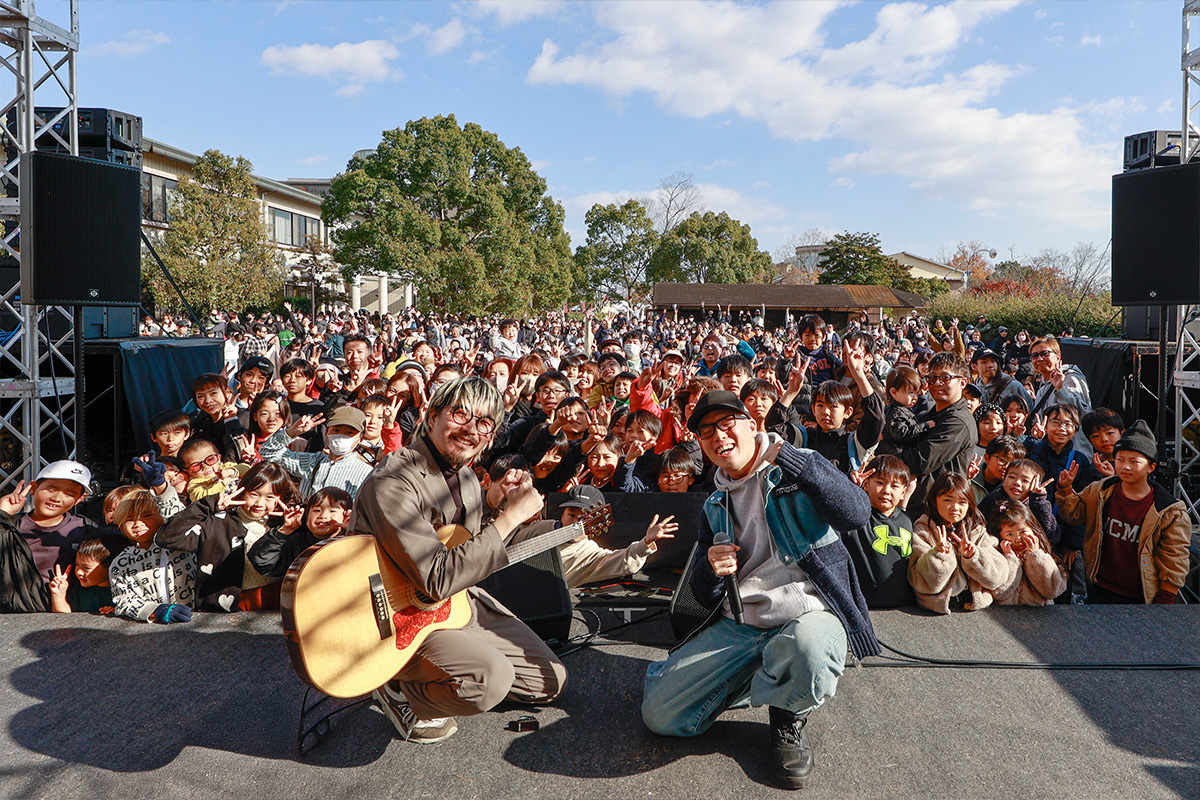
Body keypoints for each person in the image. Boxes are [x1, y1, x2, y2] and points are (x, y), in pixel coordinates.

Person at [641, 391, 878, 790]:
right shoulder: (715, 503)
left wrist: (790, 459)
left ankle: (787, 714)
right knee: (659, 716)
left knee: (809, 648)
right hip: (744, 624)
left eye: (726, 424)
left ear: (753, 425)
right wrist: (712, 569)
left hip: (809, 615)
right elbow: (701, 590)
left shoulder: (797, 468)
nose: (718, 437)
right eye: (705, 432)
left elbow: (856, 513)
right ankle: (766, 673)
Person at [351, 377, 567, 744]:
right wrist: (510, 518)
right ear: (432, 416)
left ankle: (451, 671)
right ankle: (395, 684)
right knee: (490, 681)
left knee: (549, 681)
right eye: (460, 413)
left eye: (483, 423)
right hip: (394, 616)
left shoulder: (467, 478)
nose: (470, 429)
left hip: (452, 603)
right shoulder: (393, 481)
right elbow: (436, 577)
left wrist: (502, 508)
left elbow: (465, 547)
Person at [1056, 420, 1190, 605]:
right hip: (1099, 587)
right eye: (1120, 460)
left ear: (1151, 467)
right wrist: (1065, 489)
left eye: (1134, 461)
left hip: (1142, 595)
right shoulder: (1100, 490)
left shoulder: (1169, 510)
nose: (1125, 466)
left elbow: (1175, 557)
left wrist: (1166, 597)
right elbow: (1074, 515)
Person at [155, 462, 302, 612]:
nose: (259, 503)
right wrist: (209, 504)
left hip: (276, 596)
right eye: (254, 494)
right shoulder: (219, 522)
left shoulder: (289, 525)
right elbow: (167, 538)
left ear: (281, 498)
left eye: (270, 497)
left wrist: (290, 526)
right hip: (228, 603)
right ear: (242, 491)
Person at [0, 460, 96, 613]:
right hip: (13, 619)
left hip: (69, 617)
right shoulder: (9, 527)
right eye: (51, 489)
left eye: (69, 494)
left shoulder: (86, 529)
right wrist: (2, 515)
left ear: (79, 499)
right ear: (33, 488)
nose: (57, 498)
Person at [908, 472, 1007, 614]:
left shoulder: (976, 530)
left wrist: (974, 556)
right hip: (935, 608)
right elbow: (921, 583)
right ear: (935, 500)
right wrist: (938, 556)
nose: (955, 507)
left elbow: (997, 578)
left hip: (974, 606)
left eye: (962, 502)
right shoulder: (923, 529)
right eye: (948, 500)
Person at [899, 352, 978, 518]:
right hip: (916, 506)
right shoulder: (927, 416)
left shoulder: (959, 422)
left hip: (937, 513)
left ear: (962, 382)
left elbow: (921, 462)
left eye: (945, 378)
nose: (937, 383)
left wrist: (891, 447)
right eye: (932, 378)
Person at [108, 490, 197, 623]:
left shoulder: (182, 544)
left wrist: (162, 488)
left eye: (147, 515)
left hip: (195, 619)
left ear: (162, 517)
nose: (138, 524)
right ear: (121, 527)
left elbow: (180, 517)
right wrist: (155, 610)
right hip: (153, 629)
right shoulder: (121, 563)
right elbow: (123, 600)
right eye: (129, 519)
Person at [843, 454, 916, 609]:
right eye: (880, 482)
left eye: (895, 486)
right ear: (867, 484)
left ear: (903, 492)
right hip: (864, 605)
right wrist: (851, 490)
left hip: (905, 607)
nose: (886, 490)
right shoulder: (857, 516)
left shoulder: (907, 520)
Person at [260, 406, 376, 500]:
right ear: (326, 433)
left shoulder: (366, 473)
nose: (341, 436)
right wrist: (291, 432)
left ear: (360, 438)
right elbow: (267, 452)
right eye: (336, 430)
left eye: (350, 432)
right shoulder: (311, 461)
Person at [248, 487, 353, 578]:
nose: (323, 516)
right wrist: (285, 530)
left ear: (346, 515)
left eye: (332, 511)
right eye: (317, 510)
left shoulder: (353, 541)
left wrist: (352, 532)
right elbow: (262, 562)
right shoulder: (296, 543)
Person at [984, 501, 1065, 607]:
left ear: (1033, 529)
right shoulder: (996, 556)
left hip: (1040, 616)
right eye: (1009, 534)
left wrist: (1036, 556)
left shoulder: (1045, 556)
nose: (1017, 539)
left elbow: (1051, 591)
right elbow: (1000, 594)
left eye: (1023, 532)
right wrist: (1011, 560)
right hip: (1004, 614)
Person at [1027, 336, 1092, 456]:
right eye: (1035, 356)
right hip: (1050, 455)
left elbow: (1084, 415)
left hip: (1073, 455)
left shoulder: (1071, 378)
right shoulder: (1043, 387)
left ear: (1058, 357)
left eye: (1045, 353)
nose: (1040, 359)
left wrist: (1060, 389)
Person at [48, 538, 114, 614]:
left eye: (86, 568)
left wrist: (116, 611)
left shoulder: (122, 590)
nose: (79, 572)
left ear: (110, 566)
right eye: (77, 564)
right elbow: (64, 616)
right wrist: (58, 595)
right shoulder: (80, 590)